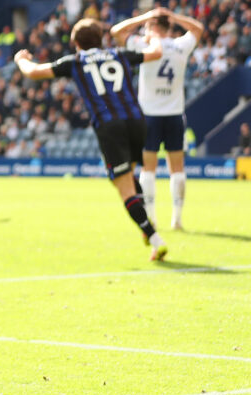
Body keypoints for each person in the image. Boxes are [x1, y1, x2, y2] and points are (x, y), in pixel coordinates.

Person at [15, 18, 168, 261]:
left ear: (76, 44)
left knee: (124, 188)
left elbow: (34, 72)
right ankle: (146, 223)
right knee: (127, 176)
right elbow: (156, 53)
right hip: (137, 121)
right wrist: (156, 36)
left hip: (110, 126)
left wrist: (21, 59)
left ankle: (154, 238)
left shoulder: (75, 61)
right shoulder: (119, 54)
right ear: (100, 39)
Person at [110, 7, 203, 230]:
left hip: (149, 114)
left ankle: (151, 216)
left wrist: (144, 16)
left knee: (148, 169)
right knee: (177, 168)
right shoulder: (181, 45)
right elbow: (198, 29)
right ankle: (177, 219)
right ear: (169, 27)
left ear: (152, 26)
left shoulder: (146, 46)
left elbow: (116, 32)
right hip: (174, 114)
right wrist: (175, 17)